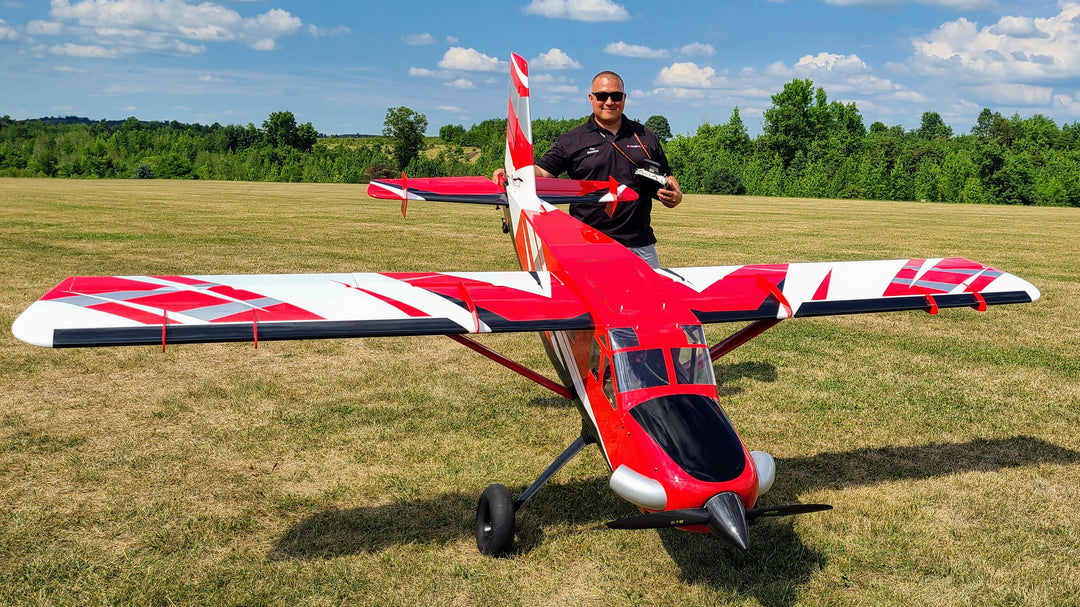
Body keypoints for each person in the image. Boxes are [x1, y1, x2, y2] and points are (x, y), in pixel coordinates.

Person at [494, 70, 683, 268]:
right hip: (587, 242)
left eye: (616, 96)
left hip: (639, 242)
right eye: (602, 96)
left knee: (651, 290)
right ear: (591, 98)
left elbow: (666, 174)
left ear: (624, 98)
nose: (609, 102)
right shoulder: (572, 140)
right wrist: (512, 174)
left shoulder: (645, 135)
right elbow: (542, 171)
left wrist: (676, 195)